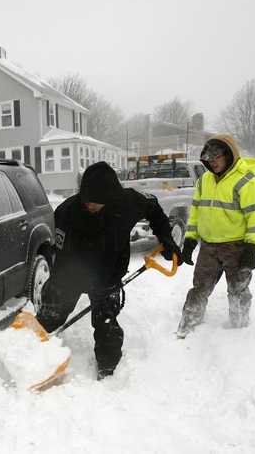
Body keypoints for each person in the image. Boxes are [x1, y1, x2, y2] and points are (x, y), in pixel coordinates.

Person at [37, 162, 181, 379]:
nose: (90, 205)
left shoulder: (128, 202)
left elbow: (153, 208)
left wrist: (167, 239)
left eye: (95, 202)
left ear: (111, 197)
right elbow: (60, 256)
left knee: (106, 325)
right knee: (51, 314)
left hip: (108, 275)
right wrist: (58, 287)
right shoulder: (67, 212)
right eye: (86, 200)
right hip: (71, 273)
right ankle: (32, 352)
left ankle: (107, 370)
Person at [176, 134, 255, 338]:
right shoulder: (203, 181)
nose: (213, 162)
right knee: (200, 287)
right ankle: (189, 323)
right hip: (208, 246)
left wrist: (252, 248)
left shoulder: (245, 181)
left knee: (238, 289)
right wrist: (190, 240)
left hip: (236, 247)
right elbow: (196, 212)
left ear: (229, 155)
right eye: (209, 158)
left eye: (217, 157)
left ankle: (239, 328)